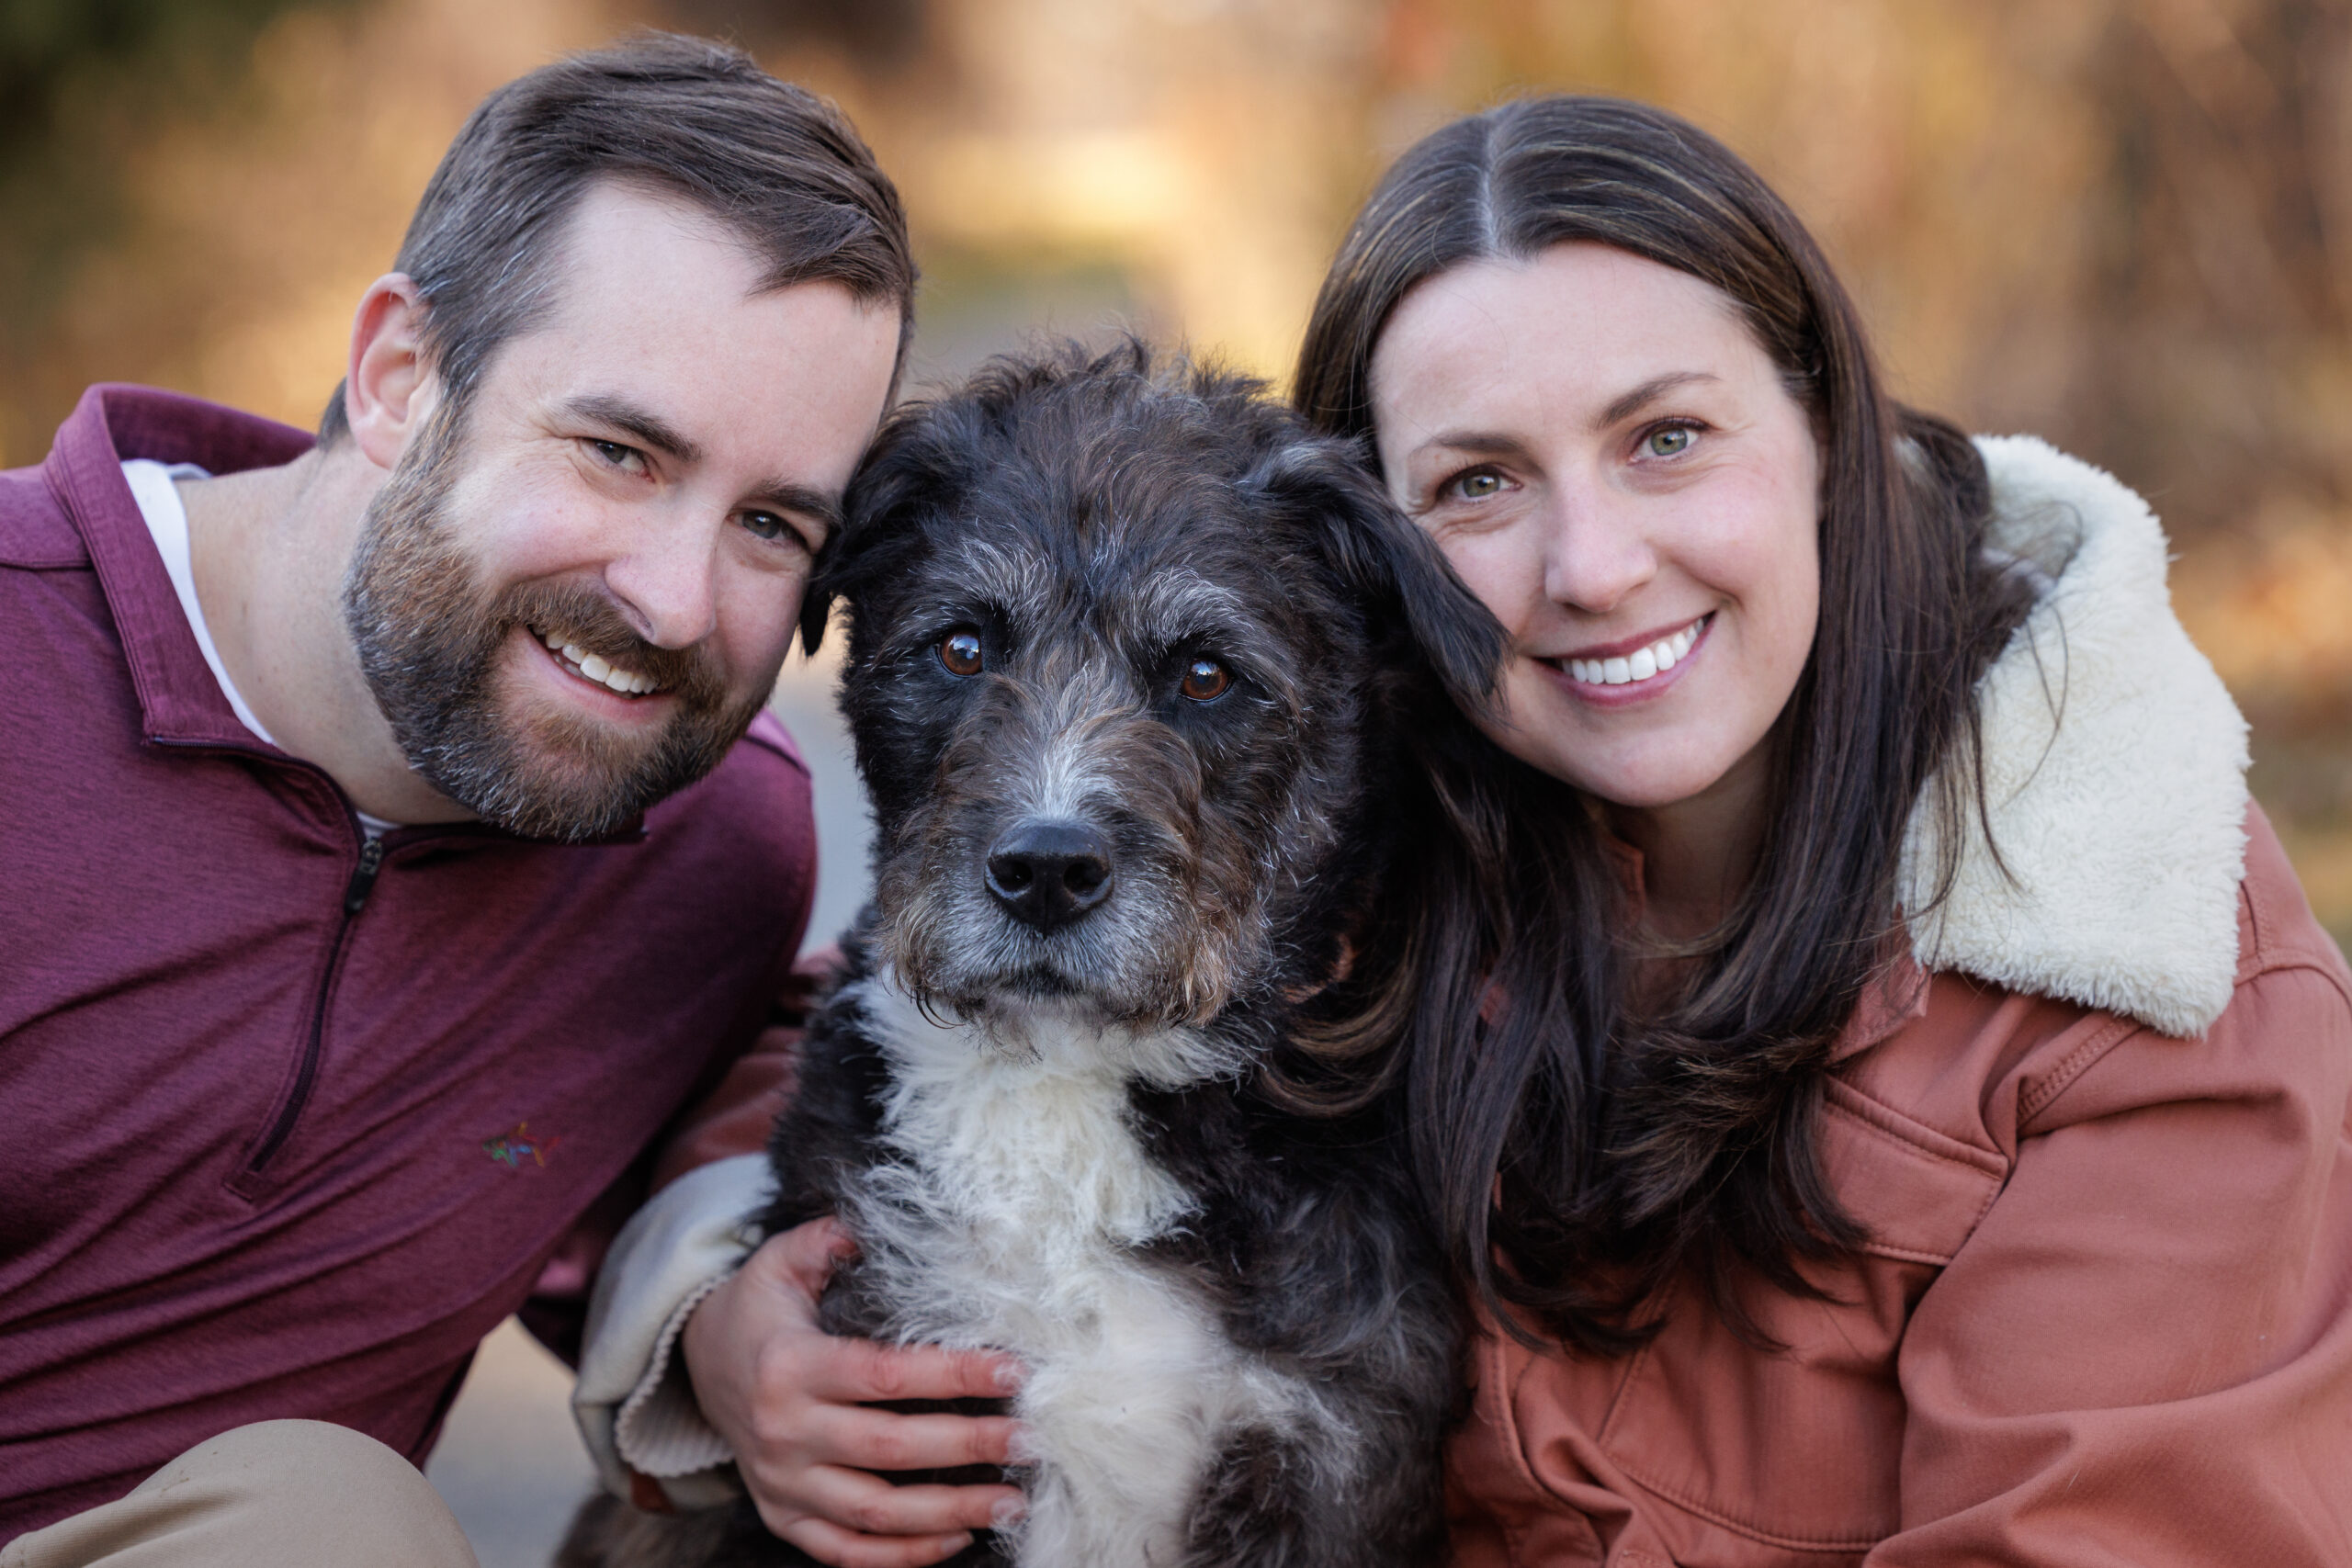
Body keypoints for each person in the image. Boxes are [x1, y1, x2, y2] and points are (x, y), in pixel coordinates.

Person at [0, 33, 1023, 1568]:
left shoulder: (709, 852)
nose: (675, 603)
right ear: (399, 377)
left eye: (770, 525)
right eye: (618, 453)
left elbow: (699, 1140)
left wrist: (723, 1335)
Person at [1283, 96, 2352, 1564]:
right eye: (1477, 484)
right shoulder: (1315, 882)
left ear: (1826, 433)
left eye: (1666, 439)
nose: (1592, 568)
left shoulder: (2134, 956)